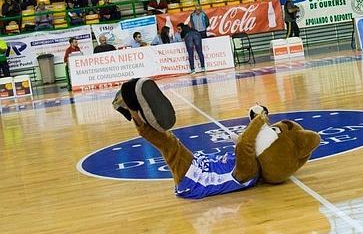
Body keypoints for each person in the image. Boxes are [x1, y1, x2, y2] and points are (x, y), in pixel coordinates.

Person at [112, 78, 320, 199]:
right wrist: (255, 122)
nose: (271, 130)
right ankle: (132, 112)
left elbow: (245, 145)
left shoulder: (251, 171)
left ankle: (132, 108)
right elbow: (243, 143)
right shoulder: (254, 168)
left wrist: (258, 121)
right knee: (167, 142)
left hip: (194, 181)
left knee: (168, 143)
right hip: (200, 168)